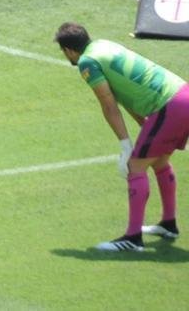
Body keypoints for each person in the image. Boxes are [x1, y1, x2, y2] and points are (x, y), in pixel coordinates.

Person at [55, 21, 189, 252]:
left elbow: (108, 104)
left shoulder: (87, 62)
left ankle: (133, 238)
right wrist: (143, 125)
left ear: (68, 50)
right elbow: (126, 90)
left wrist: (125, 145)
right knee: (159, 161)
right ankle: (168, 223)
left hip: (169, 106)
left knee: (136, 166)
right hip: (181, 93)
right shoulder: (104, 45)